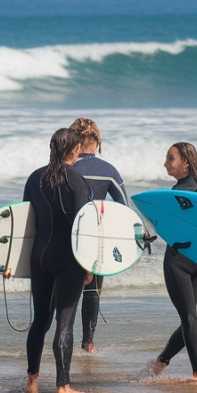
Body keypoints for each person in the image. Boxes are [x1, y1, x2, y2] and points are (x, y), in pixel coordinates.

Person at [23, 128, 94, 393]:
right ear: (76, 150)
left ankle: (31, 382)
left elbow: (25, 221)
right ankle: (63, 385)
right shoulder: (77, 181)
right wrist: (87, 264)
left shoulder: (34, 178)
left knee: (40, 320)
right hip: (69, 258)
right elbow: (82, 226)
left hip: (39, 256)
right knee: (65, 323)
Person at [151, 143, 197, 383]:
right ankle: (161, 362)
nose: (166, 163)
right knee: (190, 318)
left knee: (189, 318)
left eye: (171, 158)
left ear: (186, 162)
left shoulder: (179, 193)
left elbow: (168, 228)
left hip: (179, 263)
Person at [69, 118, 129, 354]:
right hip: (96, 240)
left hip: (65, 236)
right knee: (91, 290)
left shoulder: (64, 168)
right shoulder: (108, 170)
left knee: (65, 292)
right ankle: (88, 343)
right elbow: (124, 208)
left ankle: (61, 337)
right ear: (95, 140)